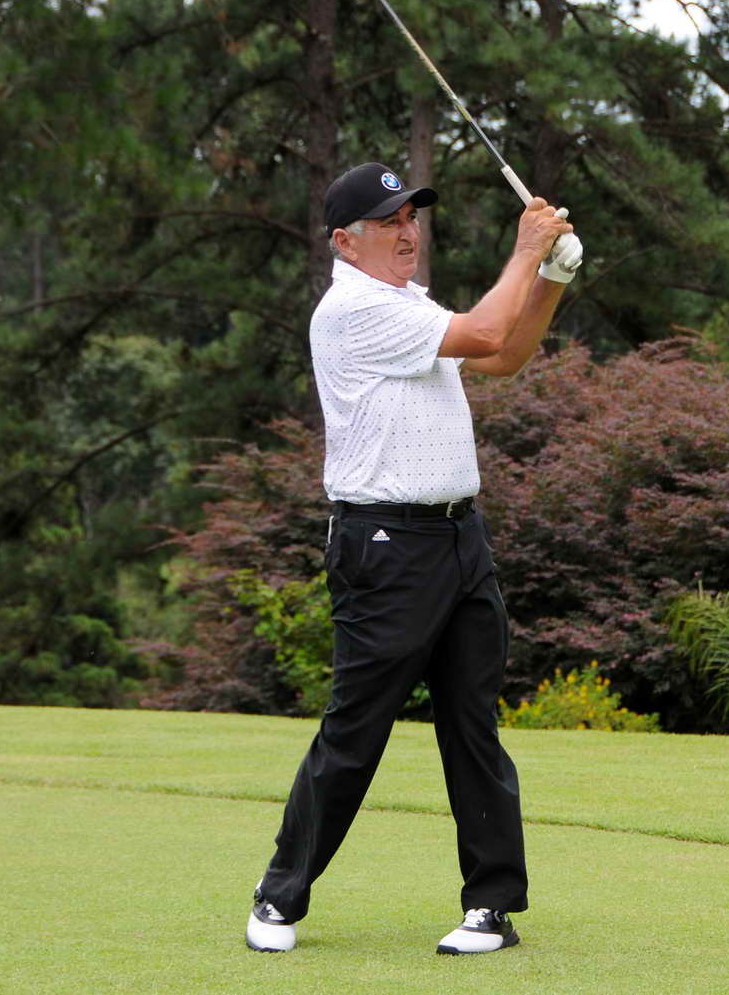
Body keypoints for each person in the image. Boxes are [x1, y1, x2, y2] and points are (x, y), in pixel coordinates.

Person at [245, 162, 581, 957]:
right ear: (345, 240)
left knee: (472, 725)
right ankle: (278, 895)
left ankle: (491, 904)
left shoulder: (407, 304)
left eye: (411, 216)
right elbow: (487, 333)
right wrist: (526, 251)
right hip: (385, 547)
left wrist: (552, 280)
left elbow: (503, 356)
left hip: (460, 539)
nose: (408, 231)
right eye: (390, 220)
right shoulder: (352, 309)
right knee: (356, 729)